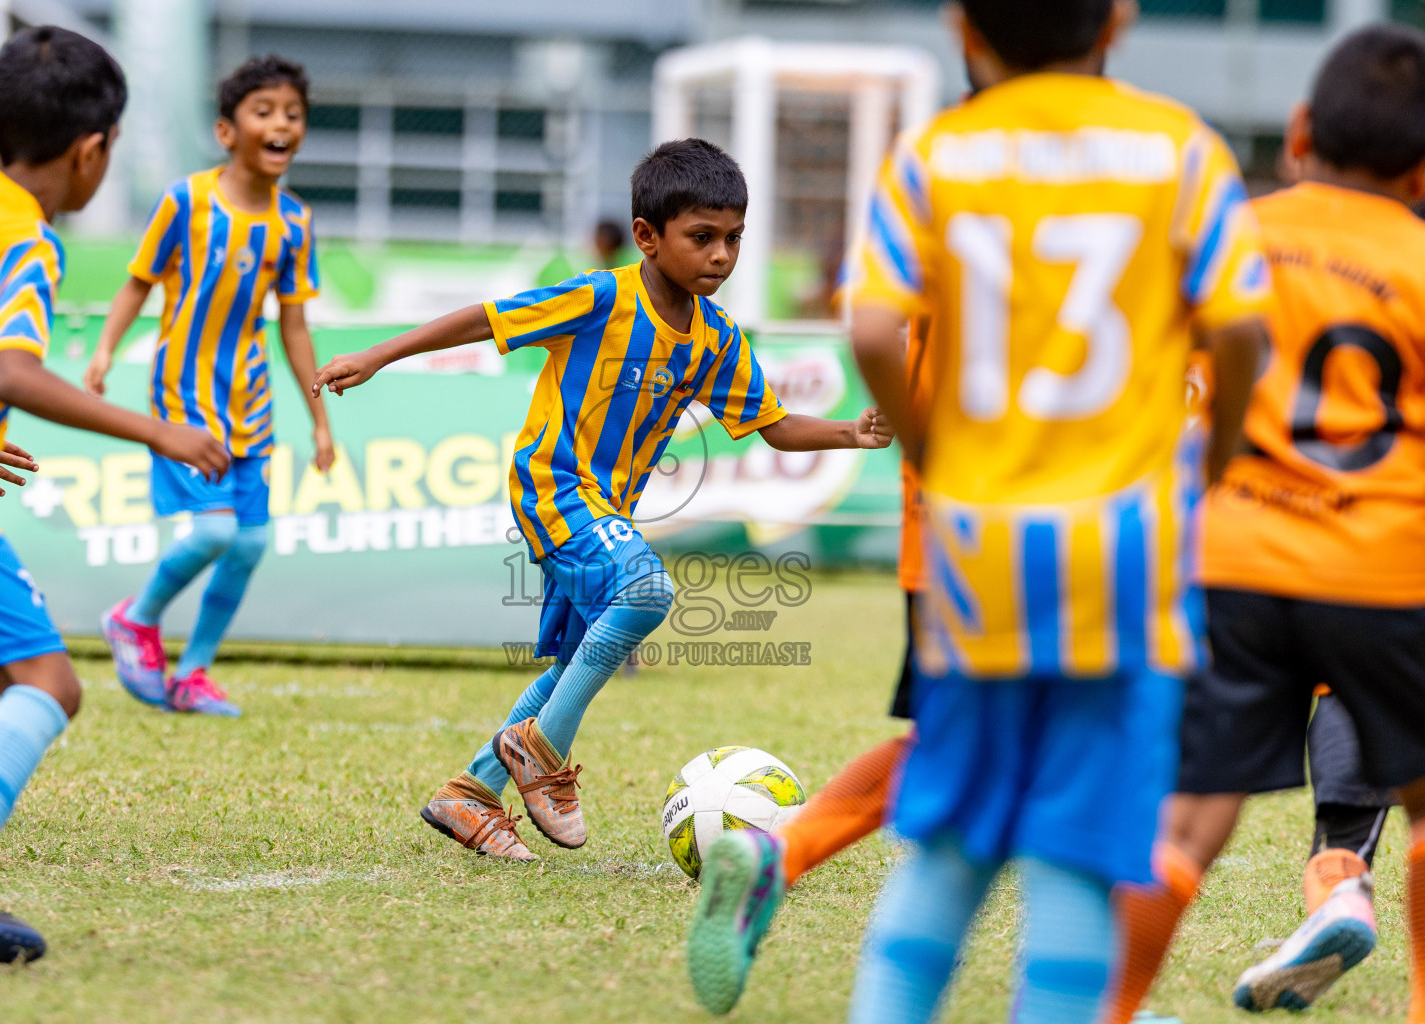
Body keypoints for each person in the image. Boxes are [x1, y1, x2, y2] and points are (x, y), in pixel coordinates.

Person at [842, 0, 1273, 1019]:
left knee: (949, 840)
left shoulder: (933, 155)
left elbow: (870, 330)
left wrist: (930, 449)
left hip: (977, 544)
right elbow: (1244, 327)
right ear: (1118, 20)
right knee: (1078, 860)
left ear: (964, 28)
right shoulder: (1181, 150)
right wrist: (1216, 451)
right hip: (1126, 548)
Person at [312, 137, 891, 861]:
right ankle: (542, 757)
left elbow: (772, 425)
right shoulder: (599, 297)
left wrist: (850, 430)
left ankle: (469, 794)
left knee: (576, 657)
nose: (721, 255)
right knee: (647, 591)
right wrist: (376, 355)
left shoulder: (717, 338)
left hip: (606, 508)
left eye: (734, 239)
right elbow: (487, 319)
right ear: (647, 237)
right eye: (702, 237)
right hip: (552, 481)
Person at [1102, 24, 1425, 1020]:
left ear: (1297, 131)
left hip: (1234, 560)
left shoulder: (1229, 232)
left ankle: (1105, 1007)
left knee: (1187, 821)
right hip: (1386, 570)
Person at [0, 25, 227, 964]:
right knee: (49, 684)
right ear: (92, 151)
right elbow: (16, 373)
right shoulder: (25, 242)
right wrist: (160, 429)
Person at [686, 322, 929, 1015]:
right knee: (1080, 753)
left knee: (955, 744)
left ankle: (783, 853)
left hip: (945, 527)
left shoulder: (941, 223)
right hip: (1061, 513)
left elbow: (878, 328)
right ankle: (1103, 1001)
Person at [89, 55, 333, 719]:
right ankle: (134, 620)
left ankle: (193, 672)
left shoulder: (296, 223)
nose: (282, 124)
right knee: (213, 532)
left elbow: (295, 326)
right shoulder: (185, 201)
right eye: (265, 111)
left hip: (249, 399)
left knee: (251, 541)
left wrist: (319, 419)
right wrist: (106, 349)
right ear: (227, 132)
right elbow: (137, 282)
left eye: (293, 113)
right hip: (182, 396)